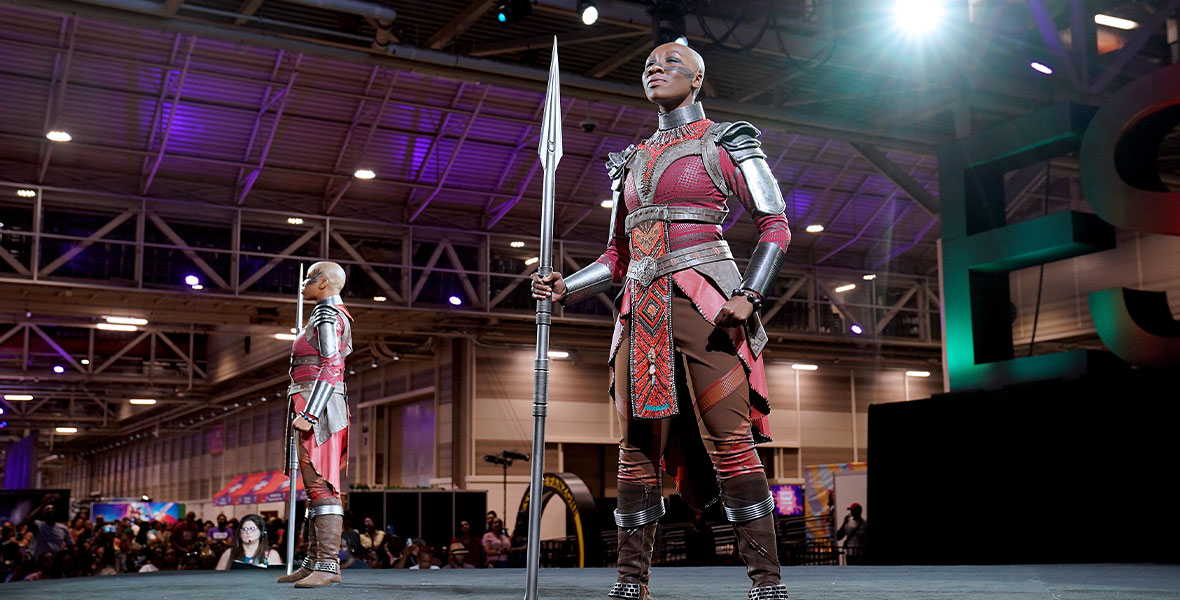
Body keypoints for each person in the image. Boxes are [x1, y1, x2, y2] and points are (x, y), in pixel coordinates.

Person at [532, 41, 791, 600]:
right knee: (636, 445)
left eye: (671, 62)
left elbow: (775, 224)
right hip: (639, 309)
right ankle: (631, 581)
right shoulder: (631, 160)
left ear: (698, 78)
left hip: (708, 303)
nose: (655, 68)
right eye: (648, 63)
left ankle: (767, 583)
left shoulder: (728, 140)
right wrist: (565, 286)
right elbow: (616, 258)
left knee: (730, 438)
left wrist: (751, 293)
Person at [275, 261, 355, 588]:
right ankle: (314, 560)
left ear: (323, 283)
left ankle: (327, 563)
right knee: (314, 487)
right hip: (310, 400)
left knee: (322, 485)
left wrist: (310, 413)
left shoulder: (327, 315)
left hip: (317, 405)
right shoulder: (327, 315)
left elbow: (332, 365)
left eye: (309, 279)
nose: (304, 285)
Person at [216, 514, 281, 570]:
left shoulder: (272, 555)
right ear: (240, 533)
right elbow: (218, 578)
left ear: (262, 532)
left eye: (253, 528)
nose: (248, 532)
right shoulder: (229, 553)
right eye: (245, 529)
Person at [20, 494, 73, 559]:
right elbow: (29, 519)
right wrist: (42, 504)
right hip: (38, 560)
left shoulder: (63, 528)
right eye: (47, 510)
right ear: (43, 514)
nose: (50, 510)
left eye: (52, 509)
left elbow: (71, 545)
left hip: (54, 560)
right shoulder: (39, 524)